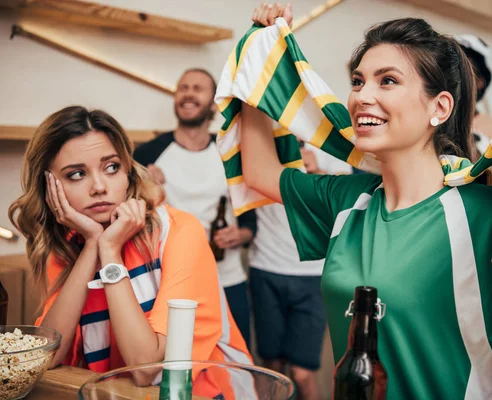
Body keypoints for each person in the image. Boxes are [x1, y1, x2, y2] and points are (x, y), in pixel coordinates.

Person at [235, 4, 492, 398]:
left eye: (387, 81)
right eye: (358, 82)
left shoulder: (484, 212)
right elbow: (258, 171)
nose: (361, 97)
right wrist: (259, 56)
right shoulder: (348, 202)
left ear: (439, 107)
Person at [8, 107, 251, 384]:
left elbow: (147, 368)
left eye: (111, 167)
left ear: (128, 172)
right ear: (50, 188)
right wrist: (92, 245)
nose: (99, 187)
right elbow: (47, 357)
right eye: (77, 174)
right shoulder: (69, 245)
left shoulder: (180, 231)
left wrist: (110, 252)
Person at [133, 68, 256, 347]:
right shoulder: (147, 154)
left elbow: (250, 223)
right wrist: (145, 188)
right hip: (171, 283)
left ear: (214, 103)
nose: (188, 93)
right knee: (181, 365)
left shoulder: (229, 153)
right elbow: (130, 219)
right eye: (183, 87)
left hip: (227, 279)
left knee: (237, 362)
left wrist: (240, 234)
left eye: (198, 88)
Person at [249, 141, 351, 400]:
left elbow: (346, 208)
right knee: (270, 367)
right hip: (266, 266)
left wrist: (316, 173)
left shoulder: (332, 146)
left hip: (313, 274)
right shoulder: (262, 146)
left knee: (303, 373)